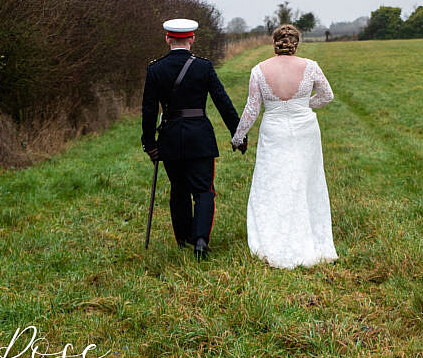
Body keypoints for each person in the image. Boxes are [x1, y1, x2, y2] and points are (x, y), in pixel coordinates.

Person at [230, 24, 337, 269]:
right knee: (306, 180)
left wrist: (238, 137)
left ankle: (272, 237)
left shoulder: (259, 70)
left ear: (275, 43)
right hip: (305, 128)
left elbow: (252, 109)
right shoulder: (310, 67)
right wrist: (304, 105)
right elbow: (327, 96)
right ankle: (310, 236)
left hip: (274, 129)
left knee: (273, 180)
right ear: (296, 43)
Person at [141, 18, 247, 260]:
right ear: (192, 38)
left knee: (178, 189)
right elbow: (223, 102)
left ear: (168, 39)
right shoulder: (203, 67)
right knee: (204, 191)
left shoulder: (155, 69)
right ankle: (200, 240)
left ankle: (183, 240)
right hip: (199, 137)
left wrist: (149, 144)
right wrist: (238, 134)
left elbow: (148, 110)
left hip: (169, 138)